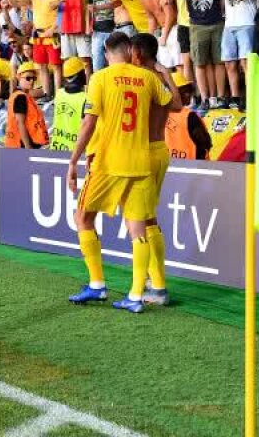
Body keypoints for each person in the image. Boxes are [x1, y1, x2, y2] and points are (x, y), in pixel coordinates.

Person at [66, 31, 171, 313]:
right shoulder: (148, 78)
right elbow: (170, 102)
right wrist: (160, 69)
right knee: (139, 229)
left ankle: (97, 284)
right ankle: (136, 296)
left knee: (83, 218)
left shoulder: (99, 78)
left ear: (106, 51)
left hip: (108, 163)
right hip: (141, 162)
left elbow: (88, 124)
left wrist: (73, 160)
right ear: (129, 50)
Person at [131, 33, 183, 306]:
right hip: (160, 151)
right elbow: (178, 104)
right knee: (148, 217)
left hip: (144, 153)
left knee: (144, 219)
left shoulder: (140, 79)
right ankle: (155, 280)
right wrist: (167, 75)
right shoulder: (158, 77)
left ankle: (158, 286)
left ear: (138, 53)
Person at [4, 61, 50, 149]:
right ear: (19, 77)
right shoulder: (20, 97)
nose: (32, 81)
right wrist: (27, 146)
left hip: (20, 144)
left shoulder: (21, 95)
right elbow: (20, 123)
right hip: (21, 145)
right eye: (28, 78)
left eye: (34, 78)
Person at [48, 57, 89, 152]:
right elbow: (86, 127)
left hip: (57, 146)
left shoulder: (59, 93)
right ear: (80, 74)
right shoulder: (85, 98)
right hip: (77, 151)